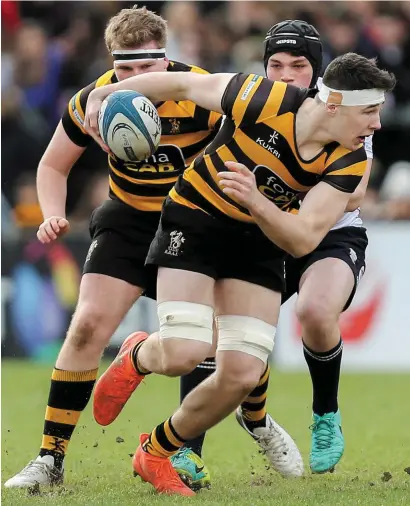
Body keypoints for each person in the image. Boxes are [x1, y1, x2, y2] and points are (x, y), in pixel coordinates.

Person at [85, 52, 395, 496]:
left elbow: (304, 239)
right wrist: (107, 91)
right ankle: (138, 355)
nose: (376, 125)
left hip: (261, 240)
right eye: (369, 111)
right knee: (184, 352)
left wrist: (256, 200)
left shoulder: (349, 161)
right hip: (195, 218)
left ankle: (155, 451)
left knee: (242, 374)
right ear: (334, 104)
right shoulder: (265, 98)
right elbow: (180, 87)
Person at [4, 5, 224, 490]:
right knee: (85, 327)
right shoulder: (94, 102)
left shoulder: (201, 93)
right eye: (124, 68)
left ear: (166, 62)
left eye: (146, 67)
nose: (134, 78)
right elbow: (51, 166)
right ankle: (49, 459)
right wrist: (52, 212)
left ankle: (186, 452)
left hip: (190, 223)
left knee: (201, 343)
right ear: (111, 64)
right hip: (127, 221)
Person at [243, 20, 375, 475]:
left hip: (332, 233)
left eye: (297, 65)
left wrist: (278, 188)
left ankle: (325, 417)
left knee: (316, 313)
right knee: (219, 339)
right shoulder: (248, 104)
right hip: (266, 233)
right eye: (274, 64)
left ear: (315, 71)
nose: (284, 75)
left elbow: (354, 192)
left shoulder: (343, 105)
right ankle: (189, 447)